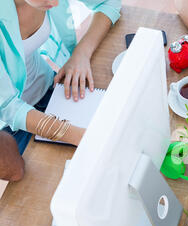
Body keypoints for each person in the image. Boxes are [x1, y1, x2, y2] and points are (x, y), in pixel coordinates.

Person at [0, 0, 121, 180]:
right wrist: (82, 137)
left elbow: (110, 3)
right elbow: (9, 106)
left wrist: (82, 52)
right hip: (12, 126)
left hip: (52, 89)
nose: (56, 3)